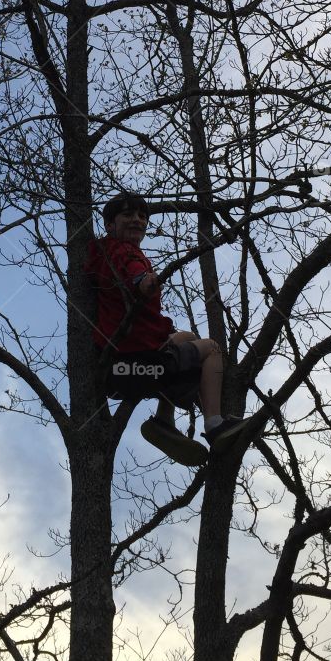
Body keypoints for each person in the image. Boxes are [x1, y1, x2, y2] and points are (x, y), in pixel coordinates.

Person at [85, 191, 254, 463]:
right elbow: (133, 270)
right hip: (137, 366)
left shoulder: (99, 253)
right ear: (109, 224)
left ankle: (164, 420)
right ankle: (215, 426)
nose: (137, 220)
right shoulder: (125, 252)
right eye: (127, 214)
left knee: (186, 337)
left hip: (117, 371)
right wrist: (144, 281)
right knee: (211, 349)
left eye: (142, 216)